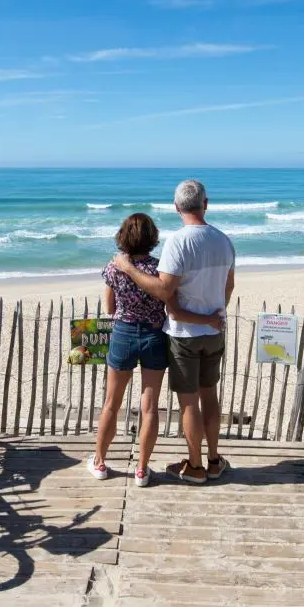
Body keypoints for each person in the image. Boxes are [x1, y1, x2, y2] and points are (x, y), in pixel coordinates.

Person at [114, 179, 235, 485]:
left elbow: (164, 289)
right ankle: (214, 460)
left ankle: (195, 466)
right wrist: (213, 313)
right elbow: (228, 286)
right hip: (214, 330)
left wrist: (129, 269)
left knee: (190, 402)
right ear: (205, 204)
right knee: (210, 396)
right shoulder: (224, 240)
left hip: (184, 334)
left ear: (177, 207)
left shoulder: (178, 242)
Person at [89, 213, 222, 486]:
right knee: (149, 407)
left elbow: (110, 309)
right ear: (152, 238)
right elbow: (167, 301)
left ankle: (100, 462)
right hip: (153, 336)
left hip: (123, 334)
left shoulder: (113, 268)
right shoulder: (159, 269)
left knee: (112, 404)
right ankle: (141, 469)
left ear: (123, 235)